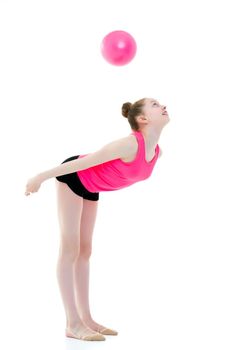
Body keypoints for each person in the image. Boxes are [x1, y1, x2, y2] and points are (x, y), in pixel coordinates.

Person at [24, 97, 170, 341]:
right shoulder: (128, 145)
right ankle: (72, 323)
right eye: (155, 105)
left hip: (92, 186)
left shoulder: (156, 152)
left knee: (86, 250)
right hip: (73, 177)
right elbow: (86, 162)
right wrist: (40, 177)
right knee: (70, 248)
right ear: (143, 119)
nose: (163, 105)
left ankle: (87, 319)